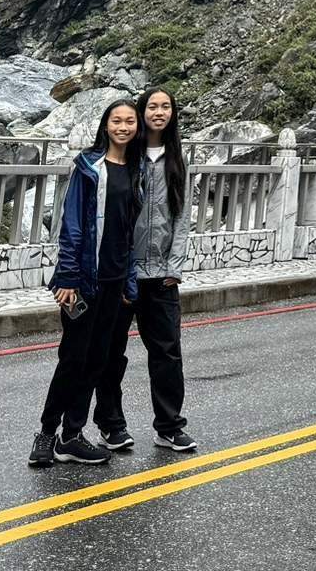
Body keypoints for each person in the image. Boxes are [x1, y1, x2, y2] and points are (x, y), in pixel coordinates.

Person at [29, 98, 142, 467]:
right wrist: (68, 276)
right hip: (84, 281)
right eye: (116, 121)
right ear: (105, 125)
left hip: (114, 280)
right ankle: (47, 434)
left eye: (129, 121)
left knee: (97, 361)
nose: (123, 127)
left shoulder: (136, 170)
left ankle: (72, 436)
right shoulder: (89, 167)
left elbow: (129, 231)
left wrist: (128, 283)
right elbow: (72, 224)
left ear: (137, 127)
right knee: (72, 359)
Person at [93, 87, 196, 452]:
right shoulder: (127, 156)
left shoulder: (178, 160)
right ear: (142, 111)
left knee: (167, 352)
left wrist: (175, 265)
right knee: (111, 352)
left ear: (173, 114)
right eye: (153, 106)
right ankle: (111, 425)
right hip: (123, 274)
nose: (159, 112)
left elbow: (182, 217)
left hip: (162, 275)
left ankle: (169, 426)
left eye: (166, 106)